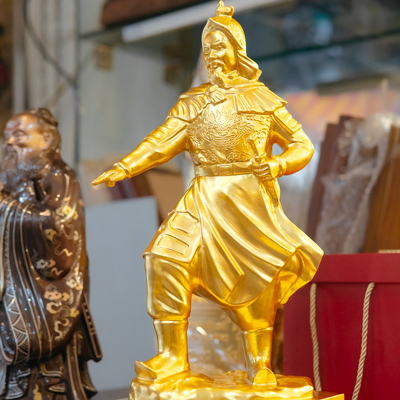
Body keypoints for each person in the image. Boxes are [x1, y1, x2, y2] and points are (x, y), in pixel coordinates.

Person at [93, 0, 323, 390]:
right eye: (207, 48)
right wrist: (126, 167)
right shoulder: (193, 103)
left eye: (219, 46)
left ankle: (260, 365)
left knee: (254, 280)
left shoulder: (263, 100)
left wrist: (278, 165)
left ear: (237, 50)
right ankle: (172, 357)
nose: (213, 54)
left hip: (247, 201)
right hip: (201, 197)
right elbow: (161, 143)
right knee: (164, 257)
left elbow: (302, 145)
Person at [0, 108, 101, 399]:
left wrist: (6, 207)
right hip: (15, 287)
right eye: (7, 136)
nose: (11, 143)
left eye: (19, 135)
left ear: (45, 140)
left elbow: (58, 225)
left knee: (49, 376)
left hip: (46, 292)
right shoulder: (12, 181)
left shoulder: (60, 177)